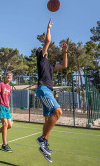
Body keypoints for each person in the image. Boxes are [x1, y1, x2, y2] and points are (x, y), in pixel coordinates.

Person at [35, 19, 68, 162]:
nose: (42, 48)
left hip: (47, 90)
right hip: (43, 89)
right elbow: (47, 42)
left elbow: (64, 66)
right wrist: (48, 28)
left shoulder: (49, 64)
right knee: (58, 112)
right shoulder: (41, 59)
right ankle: (42, 140)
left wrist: (65, 52)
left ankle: (44, 144)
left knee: (48, 119)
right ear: (40, 53)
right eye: (41, 48)